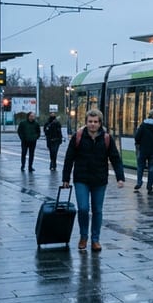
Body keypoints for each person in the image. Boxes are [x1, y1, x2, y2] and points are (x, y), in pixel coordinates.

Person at [62, 108, 125, 252]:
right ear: (86, 122)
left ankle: (95, 239)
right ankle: (84, 236)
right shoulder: (78, 136)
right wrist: (65, 178)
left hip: (99, 180)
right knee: (83, 208)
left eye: (95, 122)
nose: (92, 124)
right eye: (90, 121)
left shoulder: (107, 138)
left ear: (100, 123)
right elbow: (69, 158)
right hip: (81, 179)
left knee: (97, 210)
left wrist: (120, 177)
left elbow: (115, 158)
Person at [133, 108, 153, 194]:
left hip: (143, 150)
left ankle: (139, 182)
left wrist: (139, 143)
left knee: (140, 167)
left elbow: (137, 137)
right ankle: (149, 186)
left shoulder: (143, 125)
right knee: (152, 169)